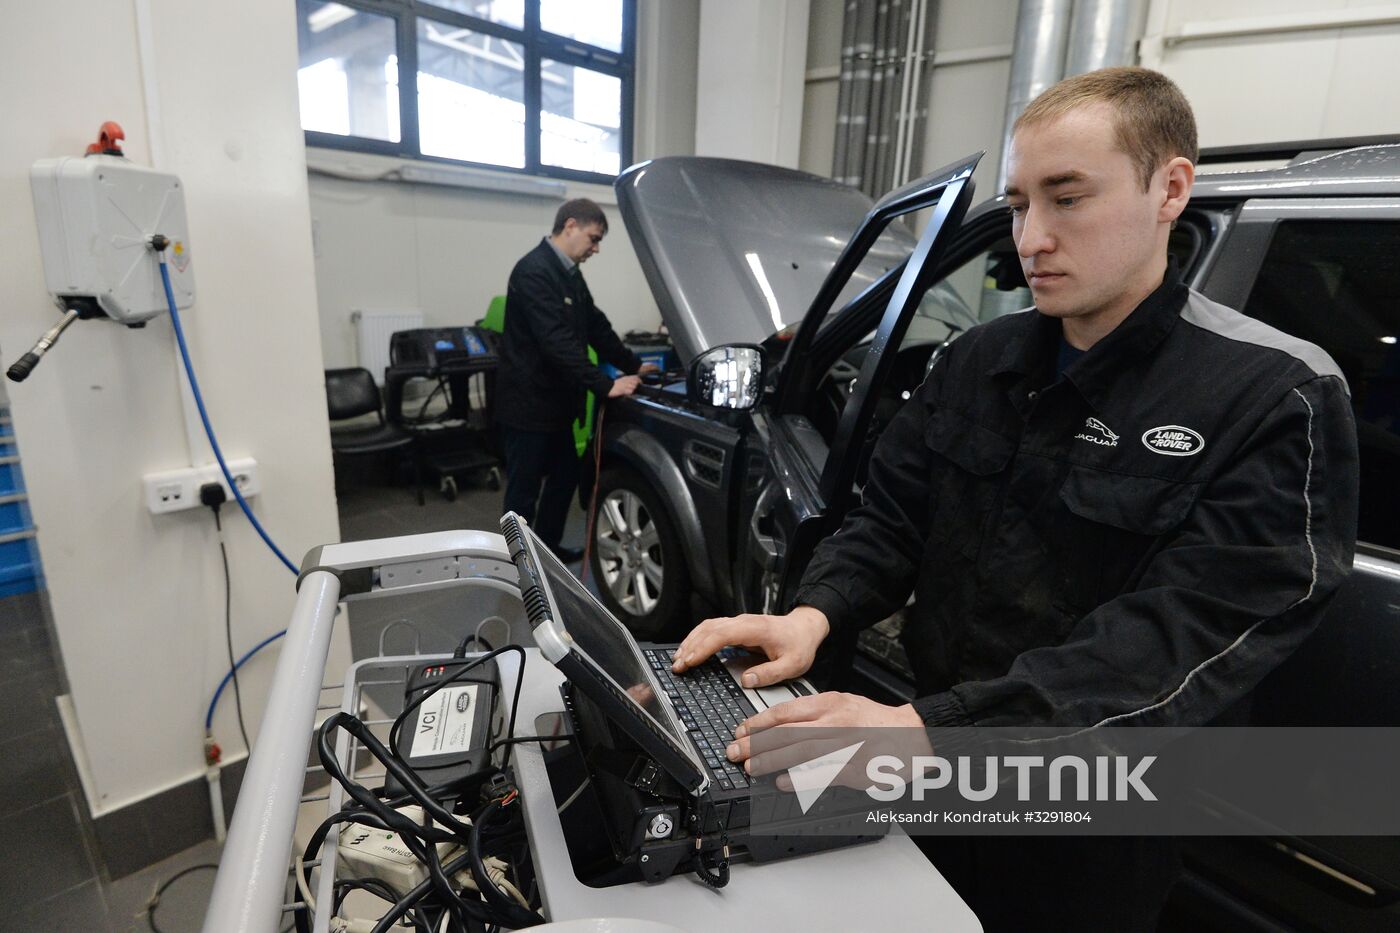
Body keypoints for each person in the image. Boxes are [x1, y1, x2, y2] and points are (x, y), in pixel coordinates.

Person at [671, 67, 1358, 930]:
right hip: (924, 758)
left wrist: (930, 733)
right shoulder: (979, 359)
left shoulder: (1272, 393)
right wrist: (812, 615)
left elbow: (1177, 639)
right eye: (1019, 202)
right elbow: (890, 517)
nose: (1030, 237)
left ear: (1169, 189)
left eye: (1066, 199)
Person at [497, 198, 658, 563]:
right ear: (570, 226)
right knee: (524, 492)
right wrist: (605, 384)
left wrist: (633, 364)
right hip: (527, 406)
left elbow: (595, 326)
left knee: (564, 480)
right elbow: (556, 342)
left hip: (556, 406)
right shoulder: (533, 271)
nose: (596, 248)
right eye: (594, 238)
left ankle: (547, 552)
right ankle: (518, 563)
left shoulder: (568, 272)